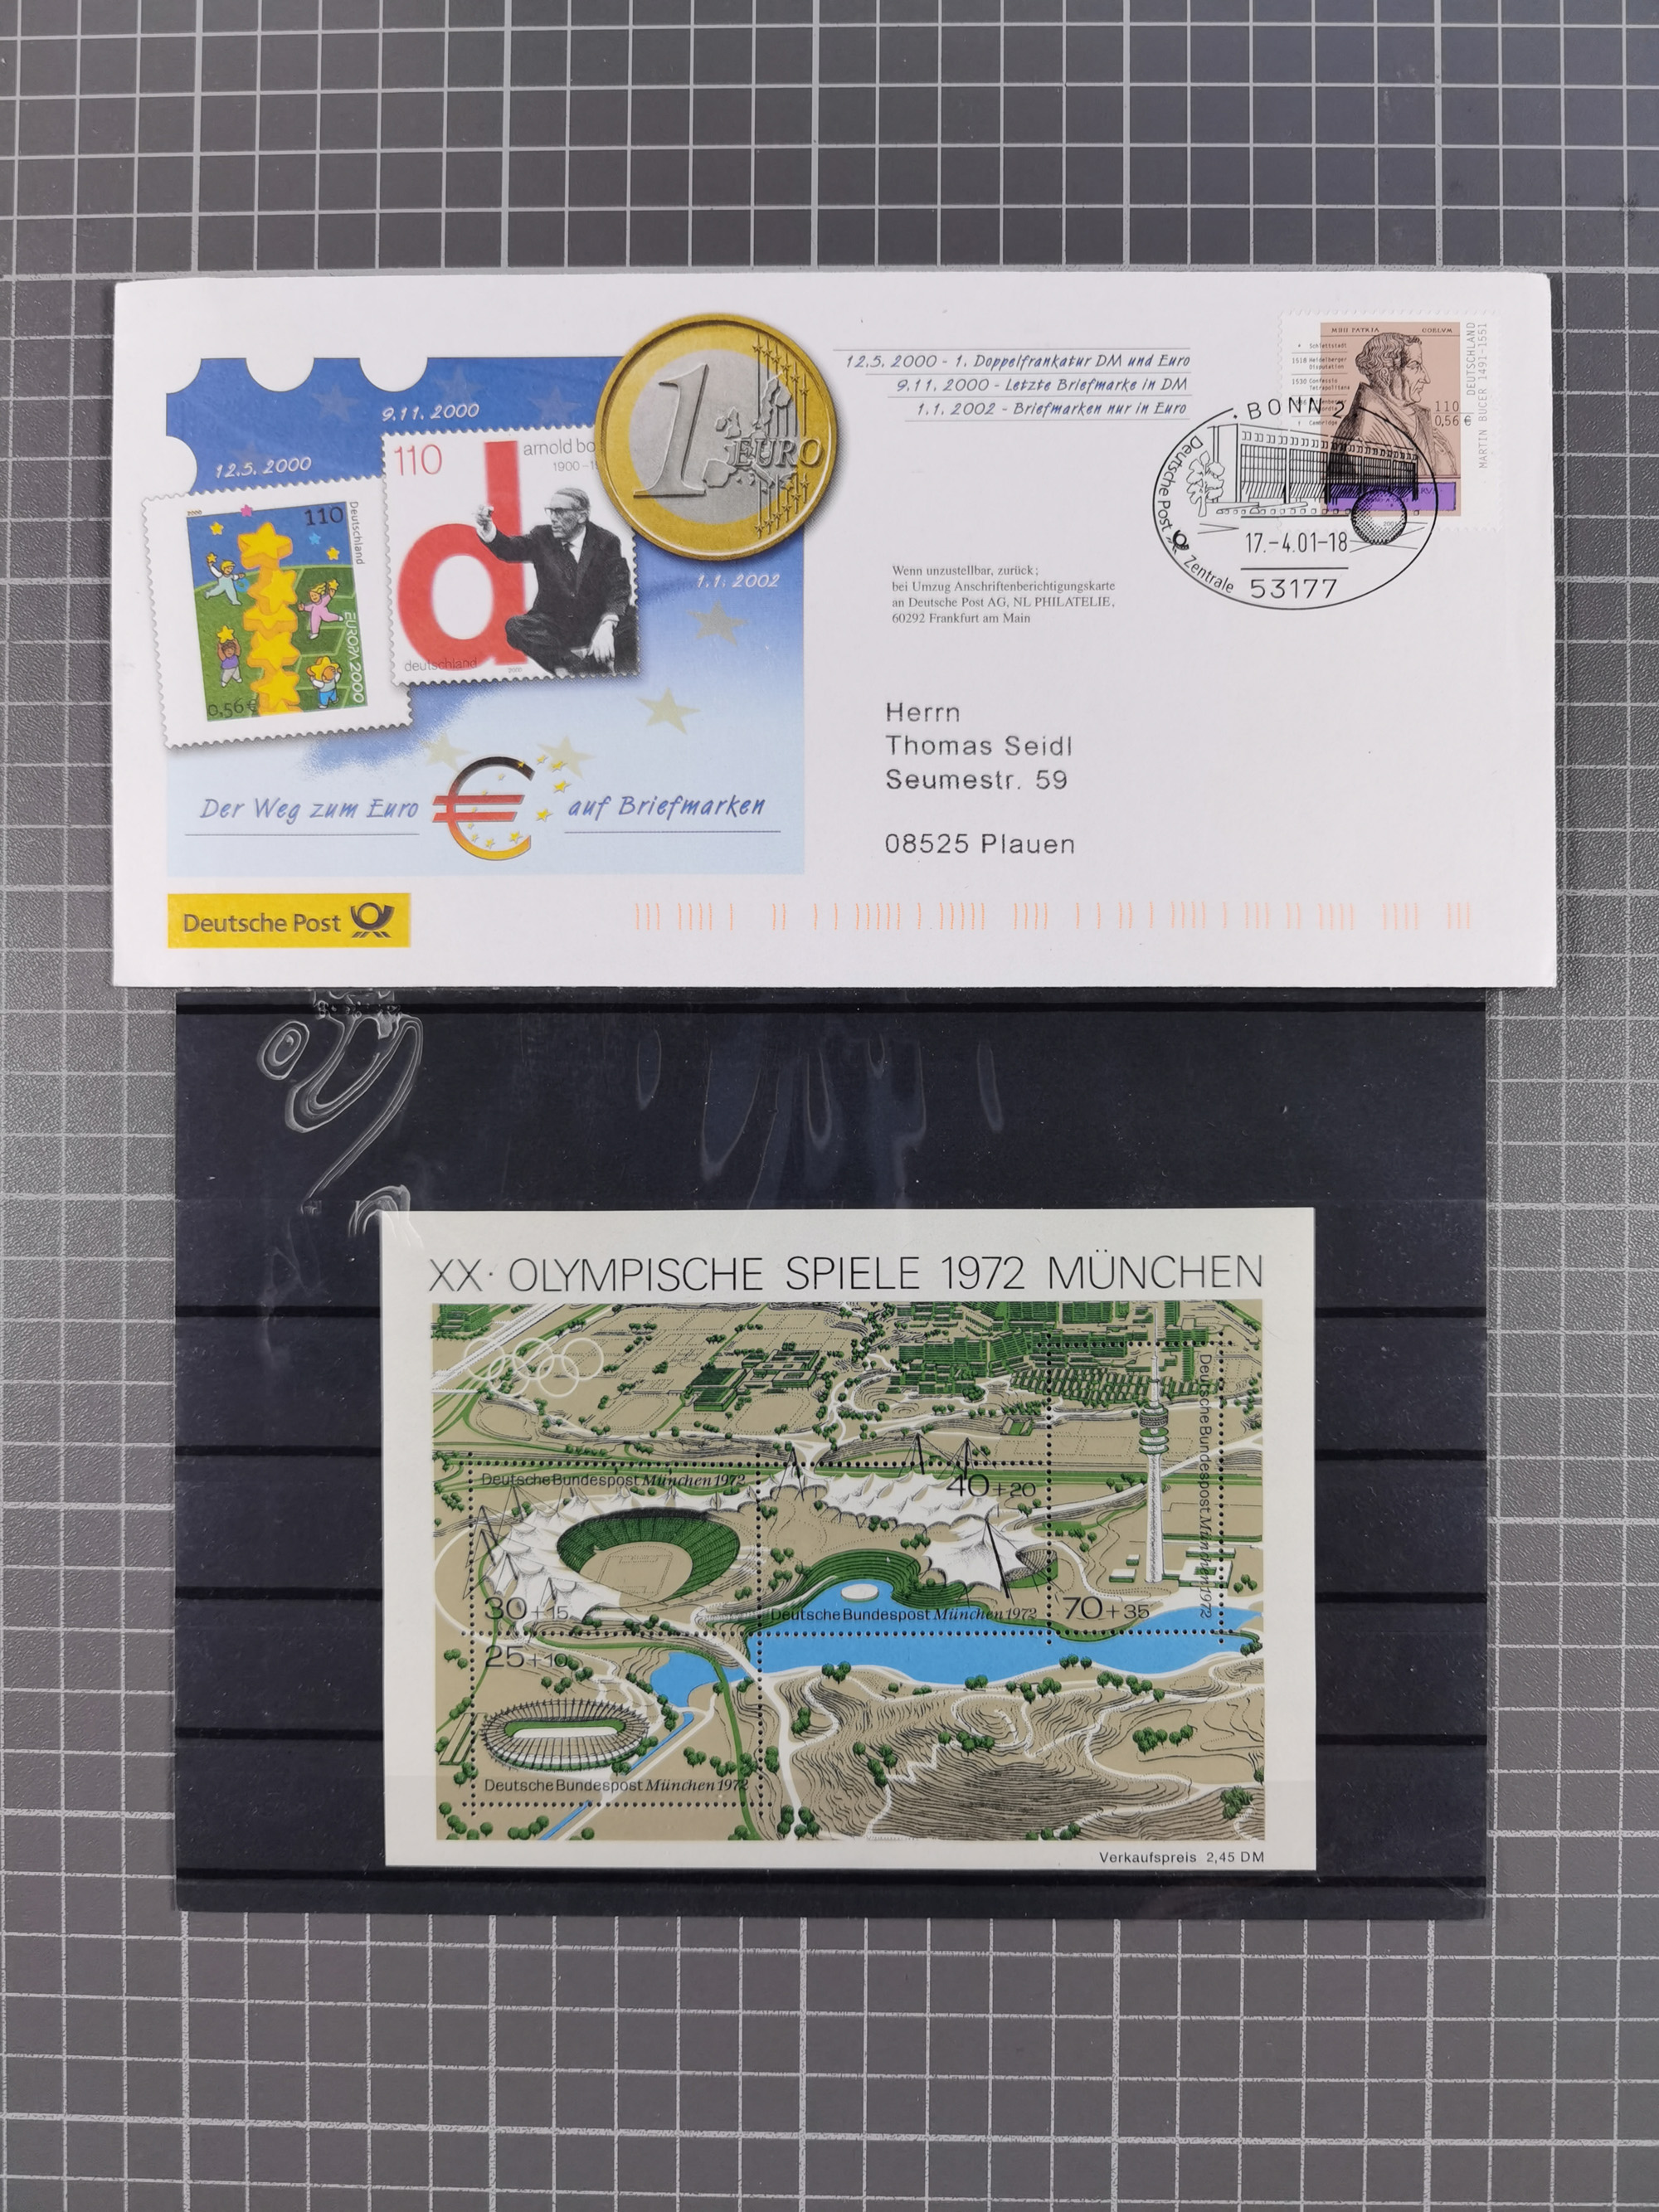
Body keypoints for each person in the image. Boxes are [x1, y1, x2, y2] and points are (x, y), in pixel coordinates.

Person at [474, 488, 638, 678]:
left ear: (581, 516)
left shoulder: (606, 541)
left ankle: (621, 676)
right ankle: (584, 669)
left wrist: (607, 626)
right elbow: (510, 549)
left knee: (634, 619)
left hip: (594, 621)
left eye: (559, 512)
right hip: (557, 625)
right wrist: (488, 529)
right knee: (516, 627)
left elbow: (619, 585)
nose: (553, 518)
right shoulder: (541, 536)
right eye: (550, 511)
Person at [1327, 332, 1457, 489]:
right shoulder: (1365, 436)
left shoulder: (1418, 422)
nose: (1426, 378)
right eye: (1415, 366)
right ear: (1386, 375)